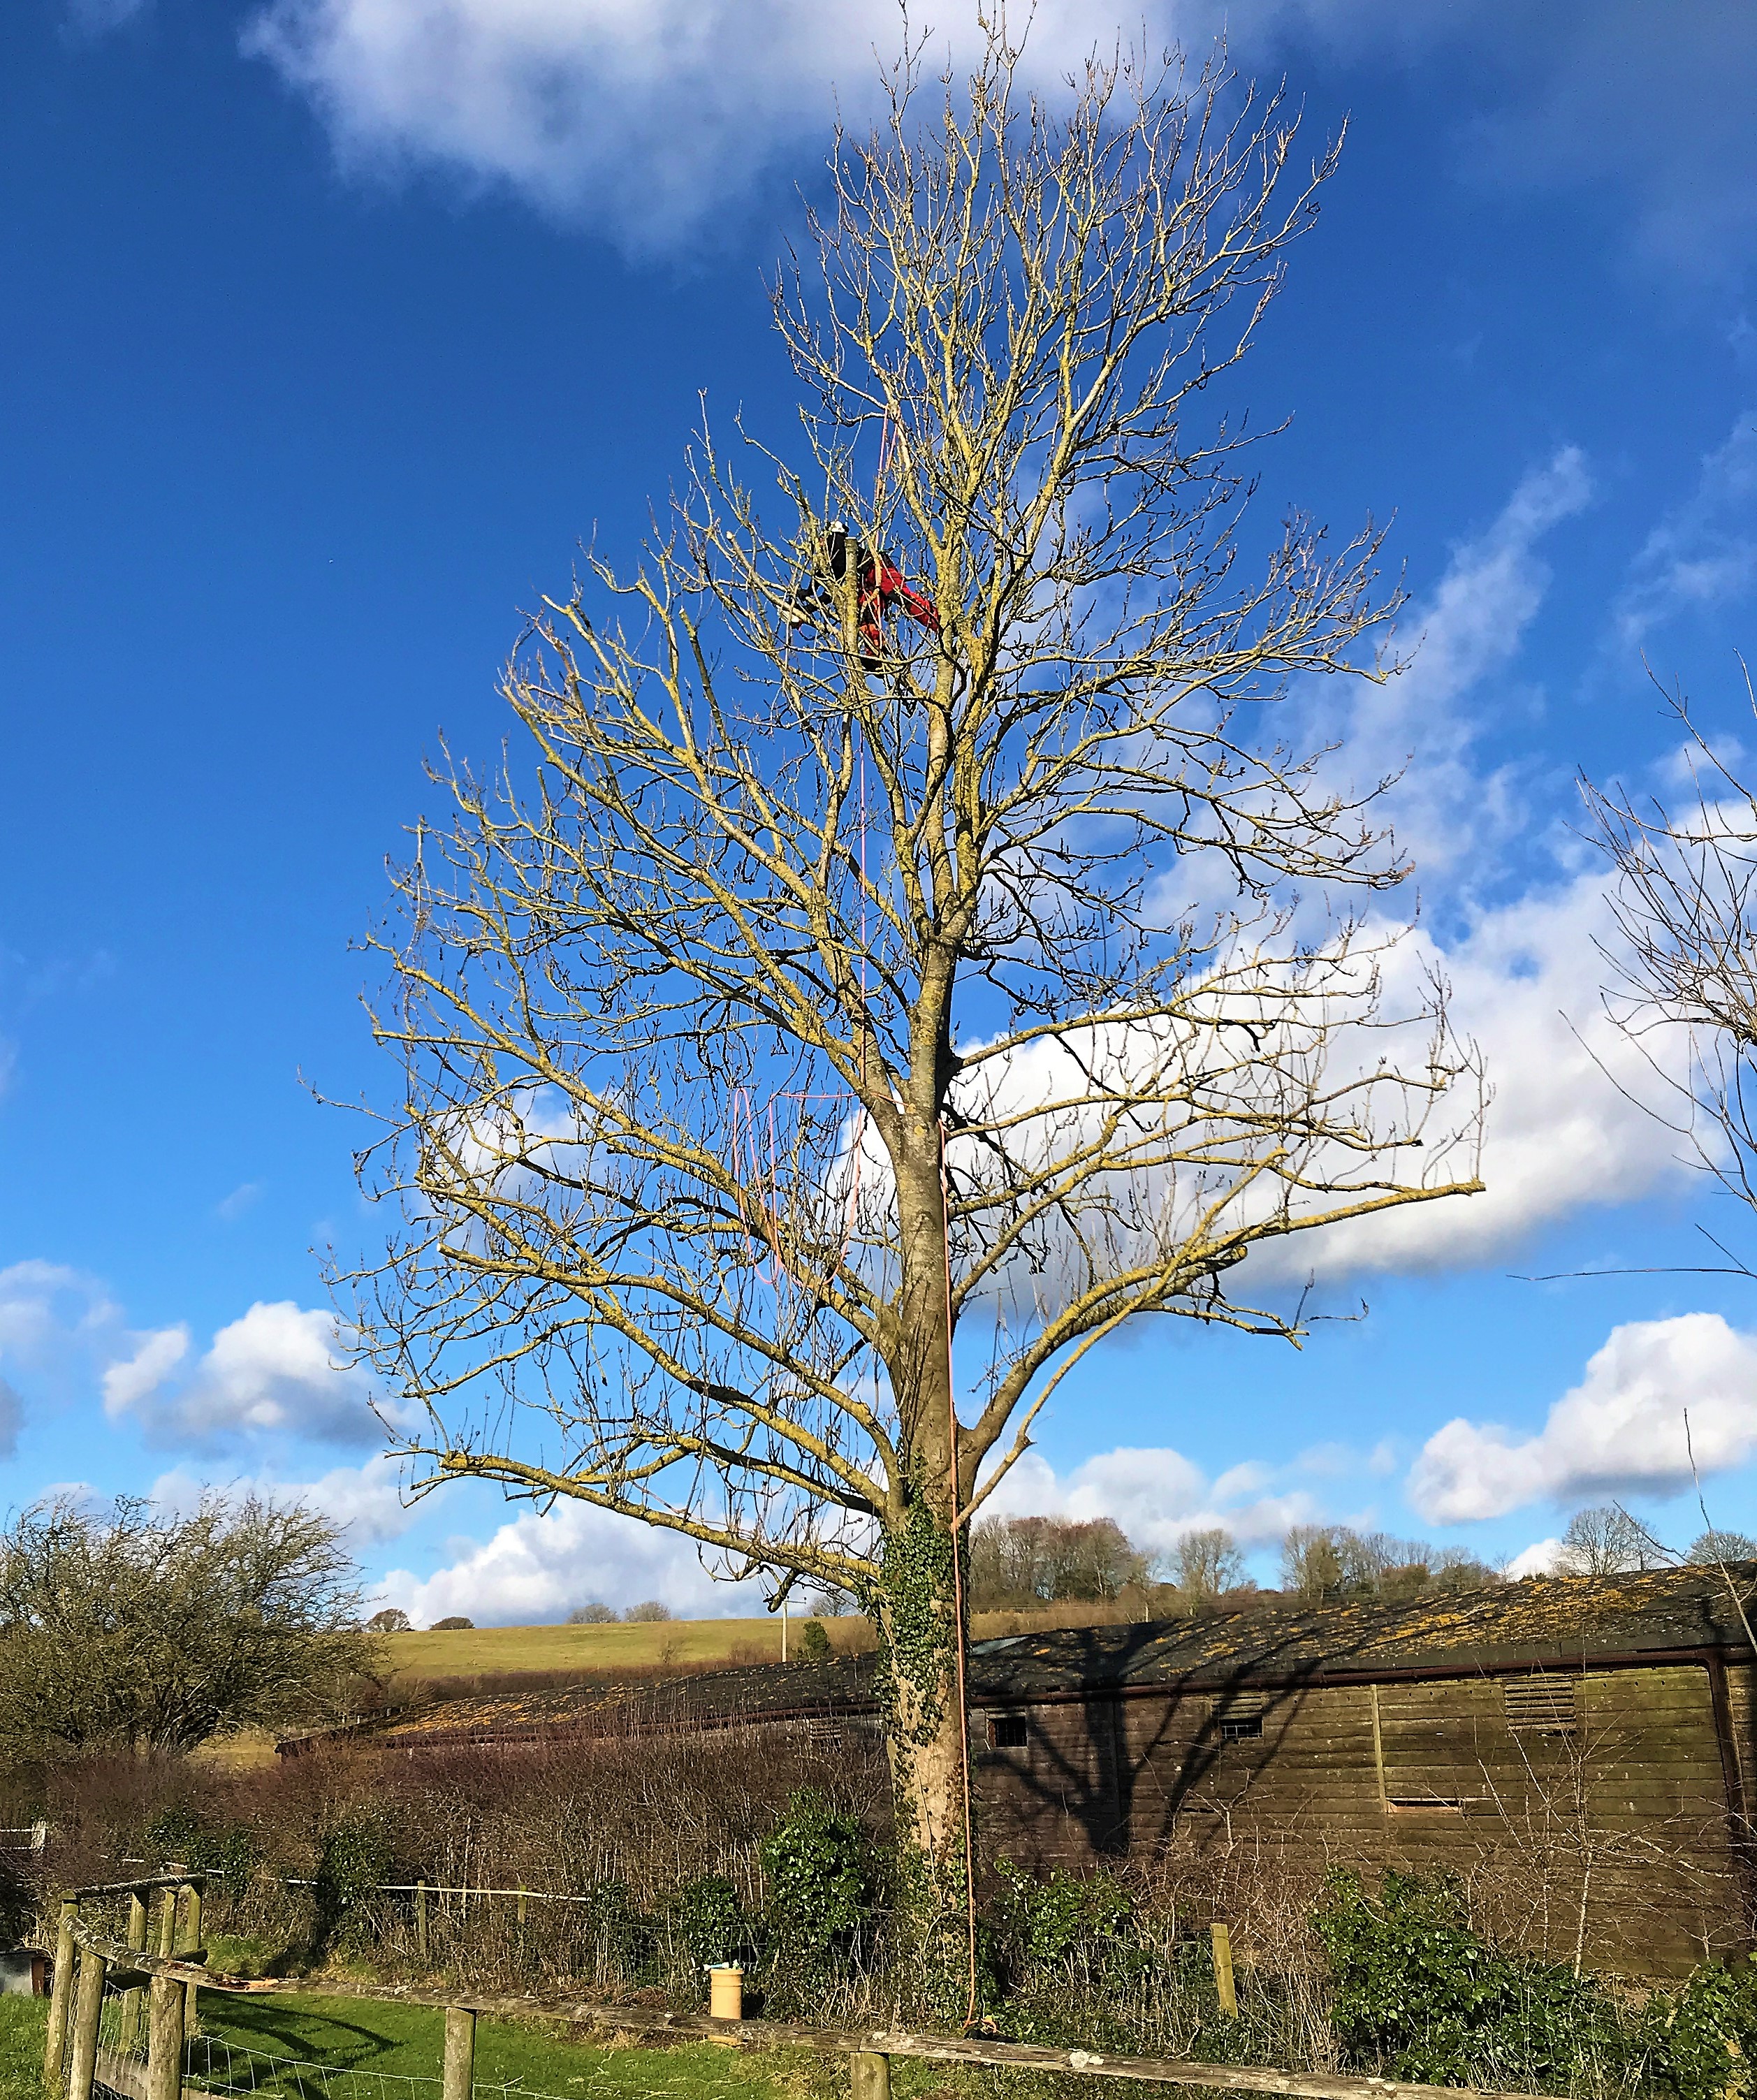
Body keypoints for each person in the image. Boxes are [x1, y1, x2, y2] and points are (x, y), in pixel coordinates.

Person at [784, 520, 939, 669]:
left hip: (876, 569)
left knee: (900, 597)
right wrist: (807, 601)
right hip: (864, 581)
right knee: (865, 614)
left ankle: (937, 620)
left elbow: (828, 580)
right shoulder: (830, 559)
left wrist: (808, 599)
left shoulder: (836, 542)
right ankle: (874, 654)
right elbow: (829, 589)